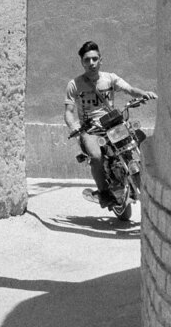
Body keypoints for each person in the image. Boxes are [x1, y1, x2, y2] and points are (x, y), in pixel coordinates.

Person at [64, 40, 157, 208]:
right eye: (87, 60)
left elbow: (129, 89)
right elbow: (69, 112)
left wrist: (143, 94)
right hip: (91, 129)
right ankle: (104, 192)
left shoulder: (110, 78)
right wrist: (74, 127)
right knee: (96, 156)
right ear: (82, 62)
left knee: (139, 139)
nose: (91, 63)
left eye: (94, 59)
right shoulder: (74, 85)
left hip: (112, 124)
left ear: (101, 60)